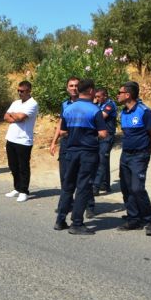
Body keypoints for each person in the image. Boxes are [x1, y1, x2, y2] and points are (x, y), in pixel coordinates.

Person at [54, 79, 108, 235]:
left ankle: (60, 220)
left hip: (70, 151)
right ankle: (77, 223)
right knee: (83, 186)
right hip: (88, 153)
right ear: (91, 91)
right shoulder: (94, 110)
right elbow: (103, 133)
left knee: (67, 186)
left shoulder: (69, 109)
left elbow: (63, 131)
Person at [117, 81, 151, 236]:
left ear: (127, 95)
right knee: (126, 188)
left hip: (139, 156)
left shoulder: (145, 112)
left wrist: (147, 152)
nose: (118, 95)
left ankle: (150, 220)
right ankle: (134, 218)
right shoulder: (123, 112)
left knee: (137, 188)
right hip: (125, 155)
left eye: (119, 92)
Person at [3, 81, 39, 203]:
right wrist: (15, 115)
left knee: (23, 167)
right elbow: (5, 117)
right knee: (13, 166)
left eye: (22, 91)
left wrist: (14, 115)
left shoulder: (33, 103)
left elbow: (21, 117)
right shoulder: (16, 102)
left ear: (29, 91)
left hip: (24, 140)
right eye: (18, 90)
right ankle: (17, 188)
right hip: (11, 138)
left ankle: (24, 191)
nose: (19, 93)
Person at [92, 88, 117, 196]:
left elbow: (101, 117)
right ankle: (105, 184)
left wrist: (92, 106)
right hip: (100, 136)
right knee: (103, 160)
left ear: (105, 96)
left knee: (101, 159)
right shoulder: (99, 105)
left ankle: (95, 187)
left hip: (107, 136)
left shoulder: (109, 105)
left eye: (98, 97)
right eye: (95, 96)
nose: (96, 99)